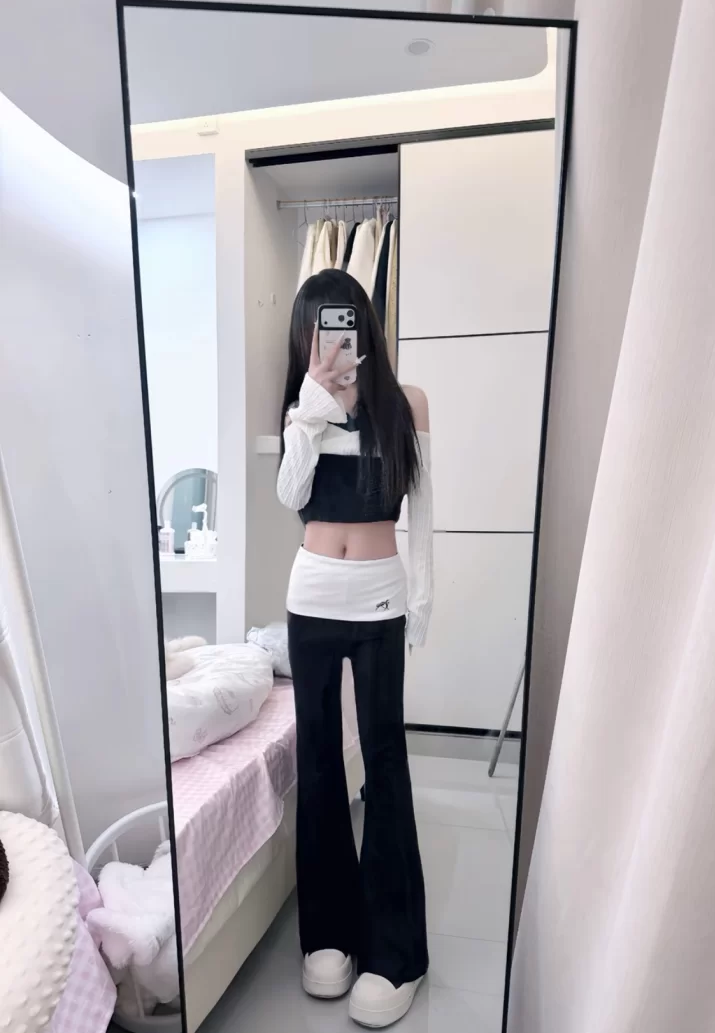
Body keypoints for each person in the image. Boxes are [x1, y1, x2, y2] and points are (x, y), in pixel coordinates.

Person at [277, 269, 433, 1027]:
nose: (331, 339)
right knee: (316, 765)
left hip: (378, 597)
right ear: (304, 336)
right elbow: (290, 497)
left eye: (340, 323)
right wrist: (311, 410)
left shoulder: (405, 405)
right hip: (310, 596)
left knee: (385, 762)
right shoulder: (300, 409)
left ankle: (396, 952)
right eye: (318, 326)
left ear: (362, 325)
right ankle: (329, 936)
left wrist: (423, 600)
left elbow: (423, 515)